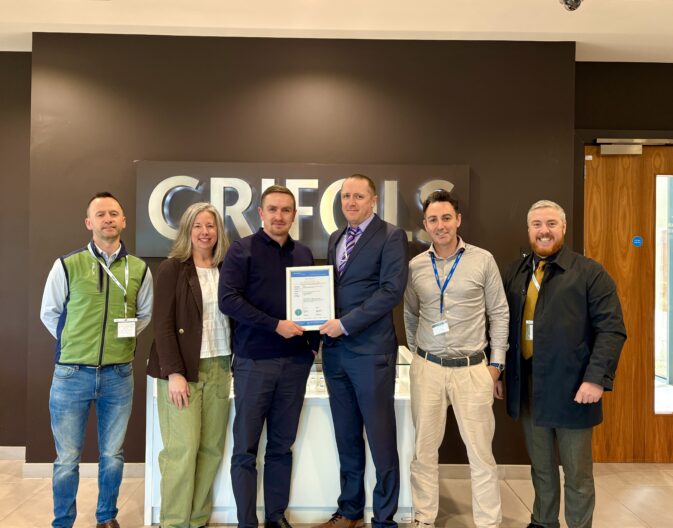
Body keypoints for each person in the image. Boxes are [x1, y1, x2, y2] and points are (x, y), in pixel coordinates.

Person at [503, 200, 626, 528]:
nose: (544, 231)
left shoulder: (589, 273)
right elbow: (501, 324)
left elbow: (612, 329)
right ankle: (543, 522)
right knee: (541, 468)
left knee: (577, 473)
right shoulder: (516, 272)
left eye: (551, 224)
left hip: (574, 388)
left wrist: (596, 378)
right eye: (537, 225)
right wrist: (500, 371)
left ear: (564, 228)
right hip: (529, 385)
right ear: (528, 230)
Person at [40, 192, 153, 528]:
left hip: (119, 376)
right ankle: (63, 521)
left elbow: (144, 314)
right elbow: (50, 313)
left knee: (113, 455)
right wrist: (75, 344)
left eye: (114, 214)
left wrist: (120, 343)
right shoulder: (67, 265)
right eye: (100, 214)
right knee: (67, 459)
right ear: (89, 222)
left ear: (124, 221)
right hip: (71, 375)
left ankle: (106, 517)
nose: (108, 219)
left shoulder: (139, 269)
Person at [403, 190, 508, 528]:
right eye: (433, 219)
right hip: (428, 369)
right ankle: (423, 518)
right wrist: (418, 356)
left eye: (446, 218)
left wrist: (496, 366)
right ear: (425, 225)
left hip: (472, 369)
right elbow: (410, 314)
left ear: (458, 220)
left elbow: (499, 313)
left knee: (481, 455)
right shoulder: (416, 266)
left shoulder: (483, 260)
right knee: (423, 451)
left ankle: (488, 522)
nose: (440, 225)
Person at [218, 185, 319, 528]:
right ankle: (247, 522)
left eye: (286, 210)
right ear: (261, 213)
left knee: (281, 446)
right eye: (272, 209)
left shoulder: (303, 253)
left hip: (295, 364)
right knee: (245, 449)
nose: (279, 216)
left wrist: (313, 344)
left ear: (294, 215)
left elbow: (314, 304)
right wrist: (274, 325)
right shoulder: (241, 250)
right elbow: (228, 300)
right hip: (254, 362)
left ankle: (276, 518)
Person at [315, 174, 408, 528]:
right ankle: (350, 510)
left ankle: (384, 518)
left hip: (371, 352)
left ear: (373, 201)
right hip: (335, 353)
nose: (350, 203)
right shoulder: (336, 237)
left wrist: (346, 323)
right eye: (345, 197)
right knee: (347, 436)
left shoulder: (391, 236)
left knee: (381, 439)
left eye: (358, 196)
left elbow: (390, 292)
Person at [147, 202, 232, 528]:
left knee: (210, 450)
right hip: (183, 370)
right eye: (197, 226)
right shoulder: (173, 268)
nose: (204, 232)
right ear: (187, 230)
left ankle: (196, 521)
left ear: (218, 231)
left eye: (210, 226)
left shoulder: (226, 269)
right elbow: (162, 325)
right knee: (181, 450)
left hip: (220, 366)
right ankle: (174, 522)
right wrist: (174, 373)